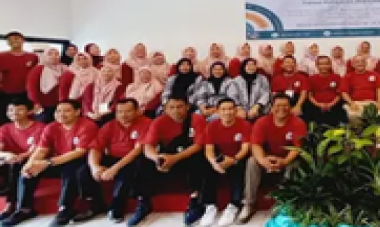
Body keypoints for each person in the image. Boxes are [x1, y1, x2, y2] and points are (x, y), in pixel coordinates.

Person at [0, 100, 98, 226]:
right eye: (58, 111)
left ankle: (64, 208)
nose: (61, 114)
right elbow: (41, 150)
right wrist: (30, 164)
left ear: (77, 112)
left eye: (66, 111)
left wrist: (48, 162)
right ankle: (24, 209)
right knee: (24, 167)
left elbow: (80, 152)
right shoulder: (51, 127)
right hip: (56, 161)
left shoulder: (87, 125)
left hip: (78, 160)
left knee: (71, 168)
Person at [137, 96, 209, 226]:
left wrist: (174, 158)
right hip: (168, 155)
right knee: (142, 160)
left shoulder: (196, 119)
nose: (176, 111)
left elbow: (198, 145)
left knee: (198, 157)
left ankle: (195, 200)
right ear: (165, 109)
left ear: (187, 107)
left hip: (186, 156)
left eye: (179, 107)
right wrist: (157, 159)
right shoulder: (158, 122)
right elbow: (148, 147)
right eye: (171, 107)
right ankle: (144, 201)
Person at [79, 98, 153, 223]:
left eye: (128, 111)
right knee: (83, 170)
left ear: (137, 111)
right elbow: (96, 148)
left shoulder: (146, 123)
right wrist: (94, 166)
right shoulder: (109, 126)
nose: (123, 115)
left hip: (133, 158)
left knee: (128, 170)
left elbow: (137, 151)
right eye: (119, 112)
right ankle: (96, 203)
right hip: (113, 157)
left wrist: (114, 169)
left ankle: (117, 206)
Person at [238, 93, 307, 224]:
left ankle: (284, 202)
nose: (281, 109)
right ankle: (249, 204)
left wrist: (284, 161)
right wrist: (263, 160)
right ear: (271, 107)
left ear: (290, 107)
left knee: (295, 164)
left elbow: (297, 148)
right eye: (278, 106)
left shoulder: (298, 123)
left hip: (287, 159)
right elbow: (256, 145)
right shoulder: (262, 122)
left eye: (285, 106)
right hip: (267, 158)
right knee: (252, 162)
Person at [0, 99, 46, 226]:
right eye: (11, 110)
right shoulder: (6, 128)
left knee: (20, 166)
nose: (14, 113)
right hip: (14, 160)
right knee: (6, 164)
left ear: (30, 111)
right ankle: (9, 208)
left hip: (36, 160)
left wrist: (0, 163)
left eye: (19, 109)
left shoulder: (40, 127)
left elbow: (34, 152)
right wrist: (7, 156)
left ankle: (25, 209)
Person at [201, 98, 252, 227]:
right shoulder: (211, 126)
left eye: (230, 109)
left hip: (238, 157)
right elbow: (209, 149)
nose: (227, 112)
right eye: (223, 109)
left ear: (236, 110)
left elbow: (245, 148)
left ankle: (233, 205)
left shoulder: (245, 125)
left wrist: (233, 160)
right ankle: (210, 206)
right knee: (205, 165)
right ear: (218, 112)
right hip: (220, 158)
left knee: (239, 167)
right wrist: (214, 163)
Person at [0, 32, 39, 124]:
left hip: (25, 93)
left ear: (23, 40)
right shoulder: (0, 56)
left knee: (25, 117)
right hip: (5, 93)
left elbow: (35, 75)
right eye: (10, 40)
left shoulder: (33, 57)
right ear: (7, 42)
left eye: (16, 38)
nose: (14, 41)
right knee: (2, 118)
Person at [26, 48, 74, 123]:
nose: (54, 56)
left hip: (61, 104)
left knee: (60, 124)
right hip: (42, 104)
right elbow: (31, 88)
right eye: (50, 54)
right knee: (42, 124)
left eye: (56, 54)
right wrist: (36, 102)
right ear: (45, 56)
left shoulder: (65, 68)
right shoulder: (38, 69)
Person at [339, 55, 380, 121]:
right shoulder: (347, 76)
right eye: (357, 62)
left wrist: (379, 102)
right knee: (353, 116)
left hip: (372, 103)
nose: (360, 63)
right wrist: (351, 103)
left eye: (362, 61)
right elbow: (344, 92)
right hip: (356, 103)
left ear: (366, 63)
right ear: (353, 65)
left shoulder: (375, 74)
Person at [304, 56, 347, 126]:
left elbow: (339, 95)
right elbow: (310, 95)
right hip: (316, 105)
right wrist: (319, 105)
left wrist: (330, 104)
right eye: (321, 64)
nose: (324, 66)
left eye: (326, 64)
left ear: (330, 65)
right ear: (317, 65)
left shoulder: (337, 77)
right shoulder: (311, 78)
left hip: (334, 105)